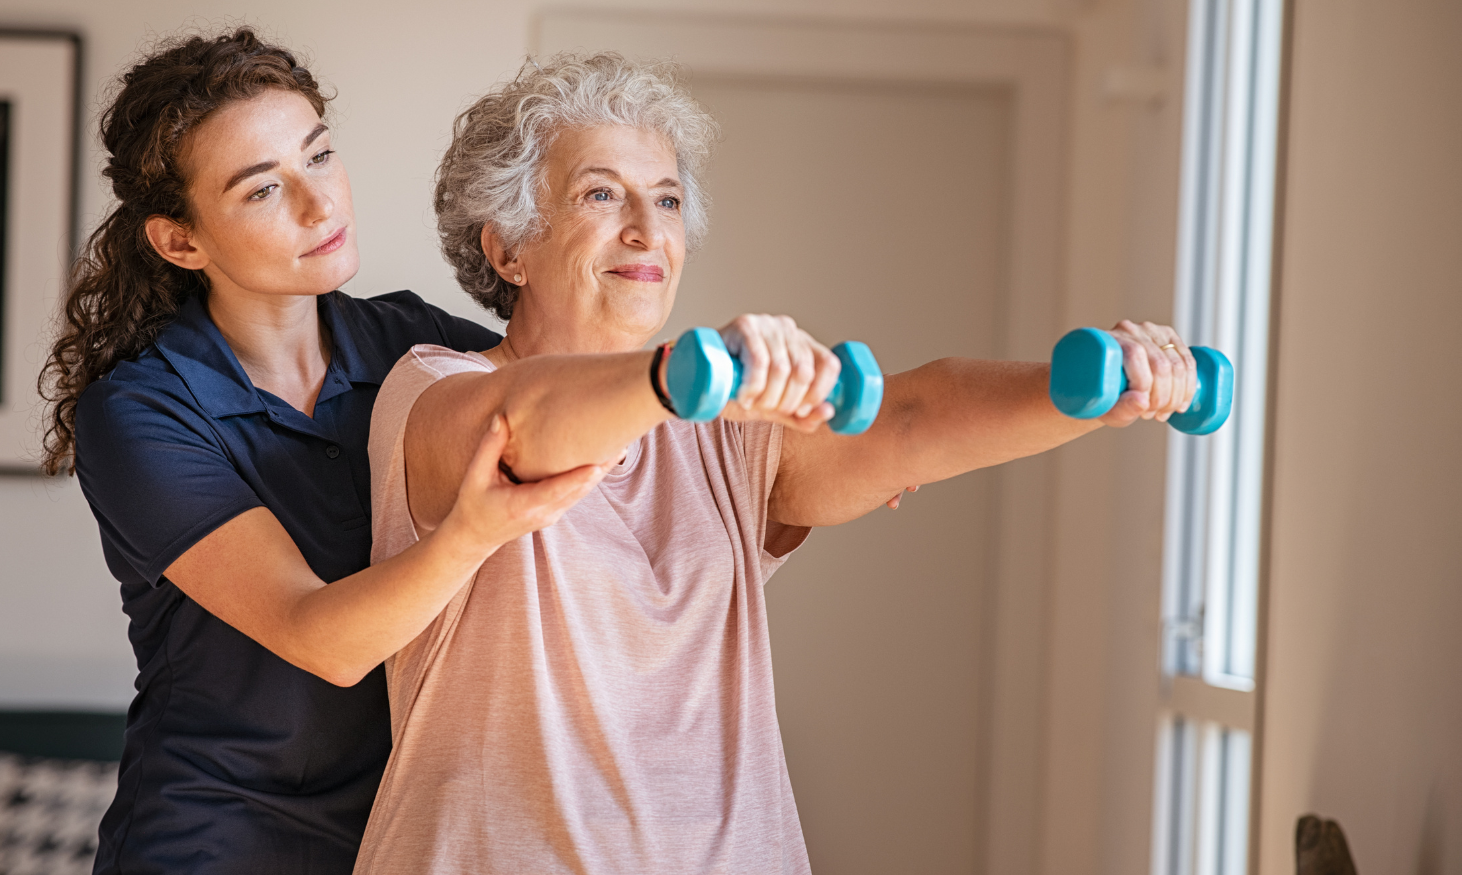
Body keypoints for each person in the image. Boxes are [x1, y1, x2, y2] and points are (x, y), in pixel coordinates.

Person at [352, 52, 1200, 875]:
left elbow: (907, 417)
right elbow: (521, 428)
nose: (648, 230)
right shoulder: (436, 387)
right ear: (508, 250)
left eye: (669, 199)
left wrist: (1090, 391)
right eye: (601, 194)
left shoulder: (723, 426)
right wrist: (687, 372)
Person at [39, 29, 605, 875]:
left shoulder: (413, 343)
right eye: (264, 190)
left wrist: (765, 477)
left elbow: (558, 406)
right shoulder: (140, 413)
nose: (320, 204)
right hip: (216, 837)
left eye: (321, 156)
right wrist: (472, 533)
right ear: (180, 241)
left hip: (399, 831)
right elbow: (324, 640)